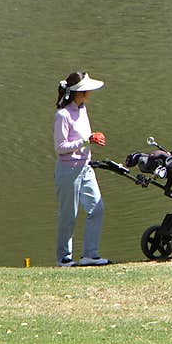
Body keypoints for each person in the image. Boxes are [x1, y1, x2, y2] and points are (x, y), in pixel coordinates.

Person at [53, 71, 110, 267]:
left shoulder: (82, 109)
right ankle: (64, 258)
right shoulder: (63, 115)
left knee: (97, 208)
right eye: (87, 90)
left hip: (85, 167)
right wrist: (87, 140)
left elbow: (83, 137)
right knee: (69, 215)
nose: (90, 94)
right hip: (68, 171)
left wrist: (93, 136)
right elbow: (60, 148)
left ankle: (90, 255)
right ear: (81, 92)